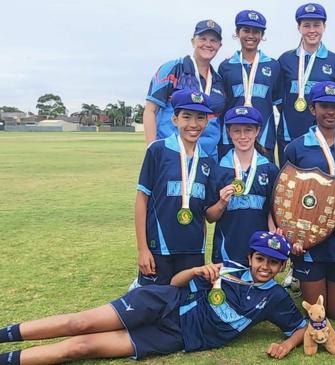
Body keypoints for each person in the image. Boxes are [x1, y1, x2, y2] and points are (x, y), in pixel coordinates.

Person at [0, 232, 306, 364]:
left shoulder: (277, 297)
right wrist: (198, 270)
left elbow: (301, 327)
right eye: (260, 259)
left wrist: (287, 344)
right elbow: (175, 283)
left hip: (178, 335)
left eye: (273, 263)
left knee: (81, 347)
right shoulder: (227, 268)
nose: (265, 267)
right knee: (79, 322)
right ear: (250, 257)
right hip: (165, 301)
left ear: (282, 266)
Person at [283, 81, 335, 319]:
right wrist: (294, 237)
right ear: (313, 109)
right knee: (317, 314)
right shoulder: (296, 147)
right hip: (311, 240)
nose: (330, 111)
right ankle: (302, 279)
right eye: (324, 106)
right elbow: (286, 196)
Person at [135, 89, 218, 286]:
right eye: (186, 117)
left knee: (187, 308)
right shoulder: (158, 150)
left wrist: (202, 251)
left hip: (192, 251)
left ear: (206, 122)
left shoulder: (207, 160)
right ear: (174, 119)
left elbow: (202, 213)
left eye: (200, 118)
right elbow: (141, 200)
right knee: (153, 307)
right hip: (159, 248)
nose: (193, 124)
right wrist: (143, 249)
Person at [143, 20, 226, 159]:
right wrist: (153, 151)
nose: (208, 44)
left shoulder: (218, 80)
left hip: (208, 157)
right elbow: (150, 110)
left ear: (219, 46)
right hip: (172, 153)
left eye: (214, 40)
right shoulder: (172, 69)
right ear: (193, 41)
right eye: (203, 38)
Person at [208, 106, 278, 267]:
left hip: (261, 252)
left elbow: (272, 211)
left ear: (257, 131)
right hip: (227, 250)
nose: (243, 136)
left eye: (248, 130)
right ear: (229, 132)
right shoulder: (219, 169)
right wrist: (222, 203)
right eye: (236, 131)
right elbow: (210, 217)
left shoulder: (269, 169)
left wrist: (272, 237)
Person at [277, 3, 335, 164]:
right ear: (299, 28)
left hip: (324, 136)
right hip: (289, 134)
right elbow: (280, 101)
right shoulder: (285, 59)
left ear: (324, 27)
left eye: (317, 25)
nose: (312, 30)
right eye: (306, 25)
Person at [218, 10, 282, 162]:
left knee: (263, 182)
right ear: (237, 32)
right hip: (231, 138)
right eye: (246, 30)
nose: (251, 36)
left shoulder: (273, 65)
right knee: (230, 181)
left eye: (256, 31)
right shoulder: (225, 66)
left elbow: (280, 105)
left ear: (262, 35)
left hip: (263, 137)